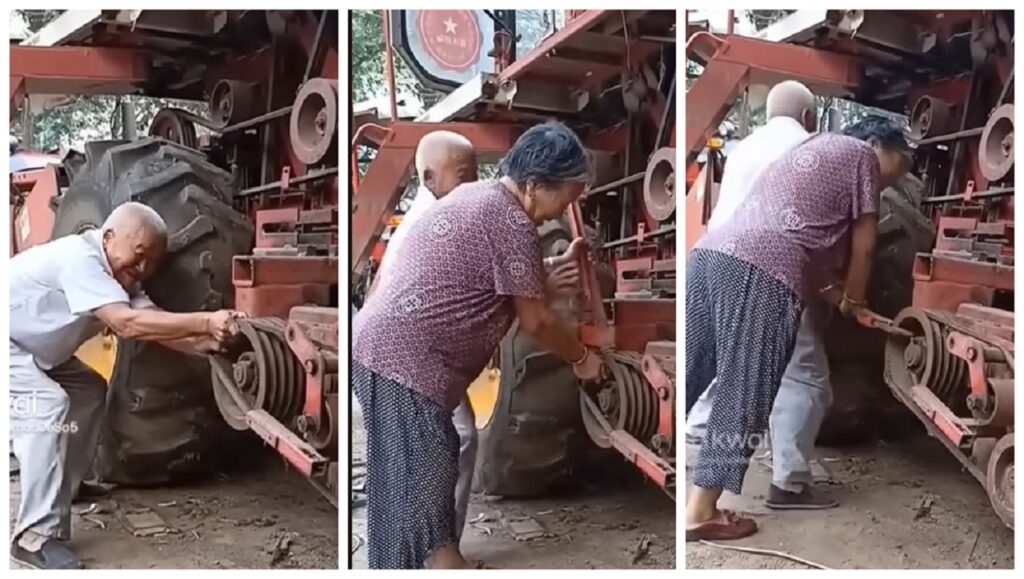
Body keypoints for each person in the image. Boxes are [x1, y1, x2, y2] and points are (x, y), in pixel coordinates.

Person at [353, 121, 602, 569]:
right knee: (430, 514)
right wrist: (582, 358)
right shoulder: (510, 219)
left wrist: (544, 272)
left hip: (382, 352)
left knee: (402, 497)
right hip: (406, 365)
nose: (562, 210)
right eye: (564, 197)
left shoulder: (478, 198)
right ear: (532, 185)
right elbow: (537, 320)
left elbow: (479, 274)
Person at [684, 116, 910, 541]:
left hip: (710, 256)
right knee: (746, 390)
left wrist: (842, 299)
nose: (881, 189)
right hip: (761, 268)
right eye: (892, 172)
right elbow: (865, 243)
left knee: (692, 368)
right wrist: (857, 301)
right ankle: (701, 511)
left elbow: (807, 248)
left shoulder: (811, 149)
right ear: (879, 143)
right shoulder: (861, 154)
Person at [9, 202, 243, 569]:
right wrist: (206, 321)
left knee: (88, 390)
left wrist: (210, 343)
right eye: (137, 257)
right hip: (10, 345)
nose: (142, 270)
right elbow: (128, 325)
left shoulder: (121, 278)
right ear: (107, 237)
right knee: (47, 407)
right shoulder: (80, 258)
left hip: (33, 349)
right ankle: (33, 536)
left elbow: (156, 324)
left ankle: (64, 488)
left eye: (151, 263)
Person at [687, 80, 839, 509]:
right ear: (809, 117)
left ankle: (698, 434)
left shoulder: (742, 149)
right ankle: (789, 482)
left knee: (723, 363)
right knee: (803, 375)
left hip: (713, 259)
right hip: (770, 270)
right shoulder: (810, 149)